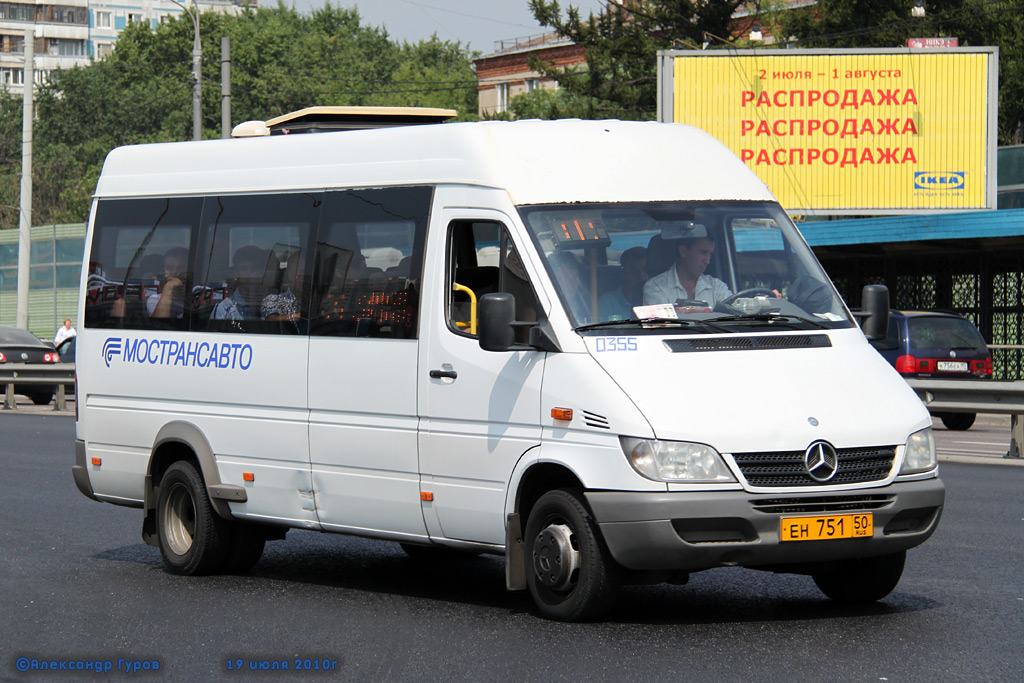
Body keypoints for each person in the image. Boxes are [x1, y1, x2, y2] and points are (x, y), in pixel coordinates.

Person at [643, 235, 730, 308]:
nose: (707, 261)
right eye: (703, 252)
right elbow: (663, 326)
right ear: (683, 251)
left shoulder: (716, 287)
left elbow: (733, 315)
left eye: (710, 255)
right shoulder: (656, 287)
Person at [211, 245, 267, 320]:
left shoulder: (271, 306)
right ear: (236, 273)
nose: (250, 274)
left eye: (254, 268)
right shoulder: (224, 309)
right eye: (244, 268)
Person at [598, 246, 648, 321]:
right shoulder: (608, 303)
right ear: (623, 273)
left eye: (646, 270)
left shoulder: (661, 300)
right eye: (634, 271)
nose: (641, 277)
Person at [549, 251, 592, 324]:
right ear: (552, 280)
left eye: (574, 278)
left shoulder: (587, 305)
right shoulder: (546, 308)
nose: (570, 284)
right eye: (565, 278)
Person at [147, 247, 189, 319]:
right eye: (170, 268)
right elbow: (159, 324)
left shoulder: (198, 293)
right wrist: (169, 286)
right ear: (164, 271)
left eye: (180, 268)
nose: (175, 273)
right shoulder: (155, 299)